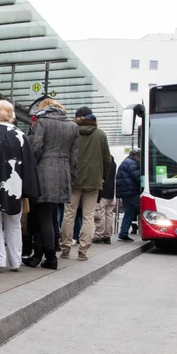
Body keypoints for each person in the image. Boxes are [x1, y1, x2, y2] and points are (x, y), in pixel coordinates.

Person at [0, 101, 39, 271]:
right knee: (14, 224)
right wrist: (29, 190)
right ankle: (15, 261)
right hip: (14, 186)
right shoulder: (20, 135)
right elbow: (28, 165)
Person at [26, 99, 78, 269]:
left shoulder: (43, 122)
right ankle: (38, 256)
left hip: (44, 171)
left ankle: (50, 257)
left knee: (44, 216)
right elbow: (74, 156)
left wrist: (30, 169)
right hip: (63, 172)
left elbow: (36, 148)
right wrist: (71, 176)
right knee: (48, 214)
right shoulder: (72, 126)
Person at [60, 106, 110, 261]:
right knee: (88, 216)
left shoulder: (72, 132)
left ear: (77, 118)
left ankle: (65, 249)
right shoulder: (100, 134)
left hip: (73, 179)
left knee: (69, 214)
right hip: (93, 180)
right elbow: (107, 159)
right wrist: (102, 177)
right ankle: (83, 251)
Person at [116, 149, 142, 241]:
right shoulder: (132, 164)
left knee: (129, 213)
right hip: (132, 192)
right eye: (140, 157)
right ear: (136, 156)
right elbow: (138, 178)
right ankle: (147, 232)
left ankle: (123, 234)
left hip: (125, 193)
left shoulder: (126, 162)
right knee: (145, 209)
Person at [93, 156, 117, 244]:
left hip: (102, 191)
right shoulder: (113, 163)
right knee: (109, 215)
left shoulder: (102, 163)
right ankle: (107, 235)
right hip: (111, 192)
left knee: (100, 214)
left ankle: (98, 235)